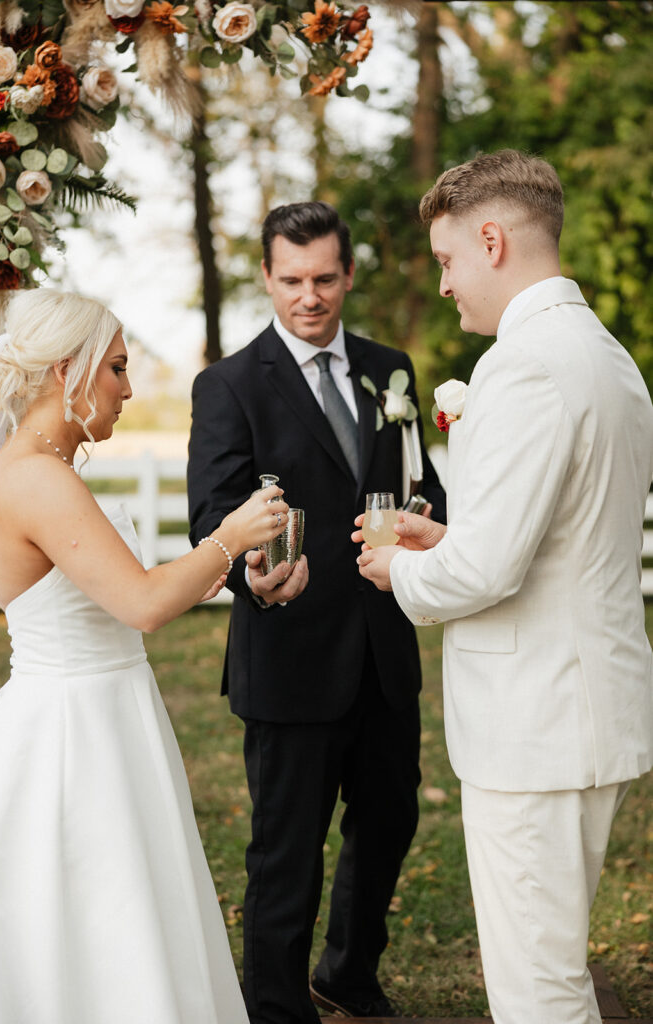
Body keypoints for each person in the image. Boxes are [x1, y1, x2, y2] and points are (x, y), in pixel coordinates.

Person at [356, 149, 653, 1024]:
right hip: (583, 707)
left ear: (491, 240)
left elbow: (487, 572)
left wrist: (399, 567)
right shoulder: (607, 356)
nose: (445, 284)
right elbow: (563, 535)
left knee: (536, 989)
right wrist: (448, 537)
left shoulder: (522, 365)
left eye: (447, 260)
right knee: (550, 965)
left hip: (537, 725)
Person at [0, 288, 291, 1024]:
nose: (127, 386)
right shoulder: (33, 477)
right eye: (114, 368)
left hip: (108, 710)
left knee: (124, 907)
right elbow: (142, 603)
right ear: (66, 371)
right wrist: (232, 535)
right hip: (70, 732)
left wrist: (238, 571)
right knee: (90, 914)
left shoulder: (48, 467)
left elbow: (125, 592)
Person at [187, 200, 446, 1024]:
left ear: (347, 274)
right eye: (292, 279)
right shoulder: (227, 385)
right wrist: (250, 576)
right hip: (289, 648)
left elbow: (423, 489)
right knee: (285, 846)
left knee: (390, 818)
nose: (309, 296)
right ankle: (273, 1002)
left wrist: (416, 524)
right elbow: (213, 514)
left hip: (381, 646)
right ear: (266, 276)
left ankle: (347, 972)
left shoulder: (388, 368)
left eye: (324, 278)